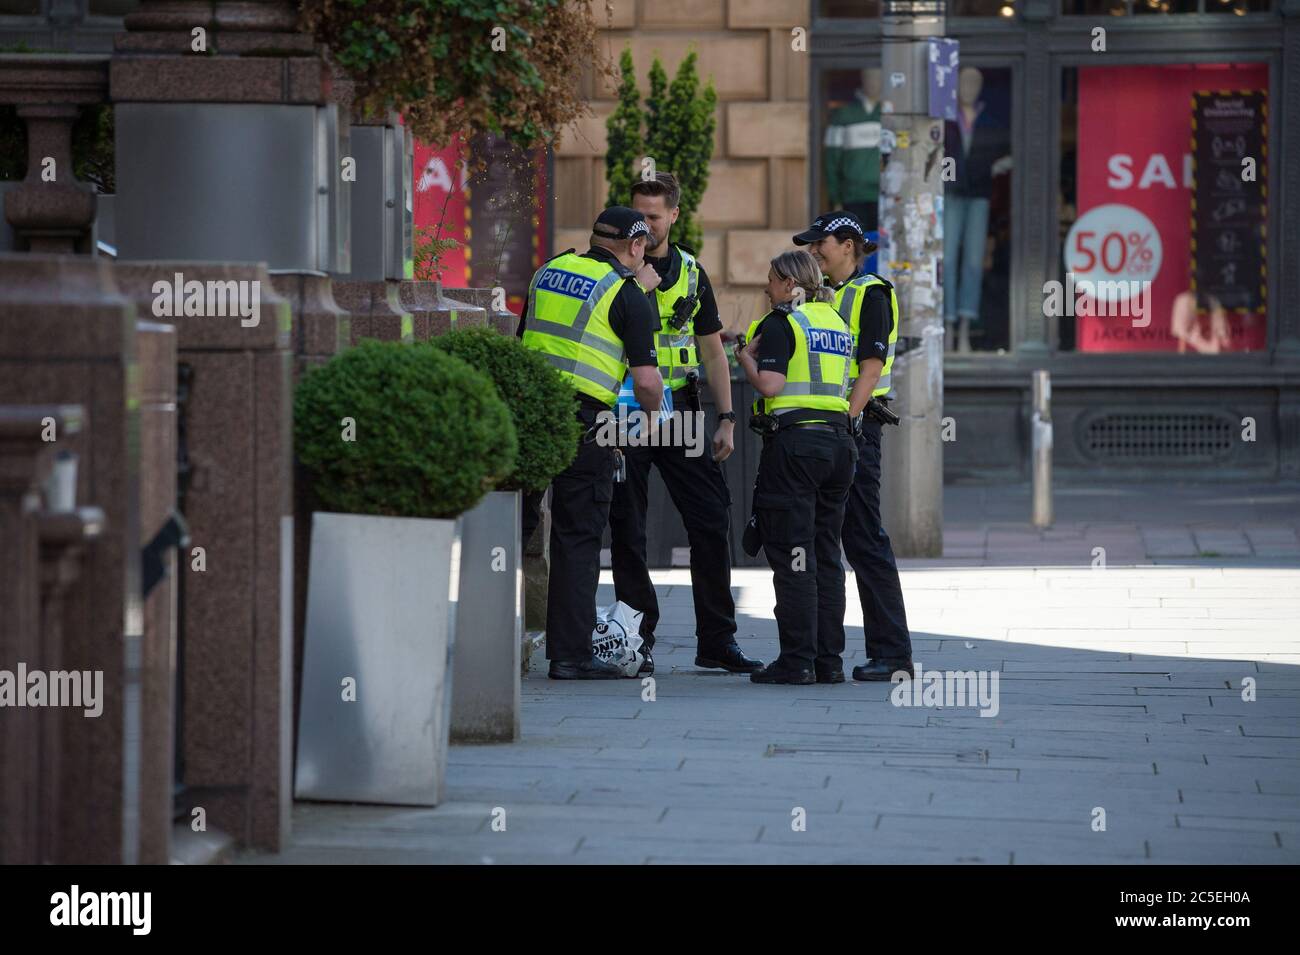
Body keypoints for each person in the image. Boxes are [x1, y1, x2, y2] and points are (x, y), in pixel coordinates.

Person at [607, 172, 761, 676]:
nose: (643, 226)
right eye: (638, 215)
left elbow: (713, 351)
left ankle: (717, 640)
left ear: (673, 215)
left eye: (653, 216)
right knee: (629, 527)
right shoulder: (614, 269)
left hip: (681, 412)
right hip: (628, 410)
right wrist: (633, 285)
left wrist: (728, 418)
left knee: (711, 520)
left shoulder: (692, 272)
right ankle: (636, 636)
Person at [518, 207, 663, 679]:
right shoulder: (628, 295)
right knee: (577, 537)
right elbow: (646, 382)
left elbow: (524, 341)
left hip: (530, 412)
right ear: (636, 247)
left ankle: (491, 642)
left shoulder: (548, 271)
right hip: (585, 423)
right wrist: (647, 419)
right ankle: (569, 656)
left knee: (509, 531)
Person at [793, 210, 913, 681]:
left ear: (847, 244)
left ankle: (892, 652)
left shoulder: (872, 293)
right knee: (826, 537)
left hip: (854, 428)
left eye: (819, 244)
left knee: (863, 536)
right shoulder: (825, 296)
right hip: (826, 429)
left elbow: (870, 367)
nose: (813, 252)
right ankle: (825, 653)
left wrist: (848, 420)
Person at [736, 250, 856, 685]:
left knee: (793, 555)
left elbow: (770, 384)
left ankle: (796, 662)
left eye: (770, 279)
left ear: (789, 284)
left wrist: (745, 360)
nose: (766, 288)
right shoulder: (836, 323)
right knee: (825, 554)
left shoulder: (782, 322)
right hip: (840, 446)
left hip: (797, 446)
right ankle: (829, 661)